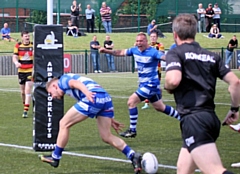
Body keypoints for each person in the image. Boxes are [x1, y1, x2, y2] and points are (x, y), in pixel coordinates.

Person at [164, 13, 240, 174]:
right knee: (183, 170)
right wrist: (234, 109)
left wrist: (168, 86)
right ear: (194, 32)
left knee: (214, 170)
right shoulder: (212, 56)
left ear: (175, 35)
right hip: (210, 119)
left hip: (194, 119)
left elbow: (173, 80)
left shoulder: (175, 53)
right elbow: (235, 82)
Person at [38, 73, 143, 174]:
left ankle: (55, 157)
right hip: (105, 98)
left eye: (50, 93)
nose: (52, 96)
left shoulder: (62, 81)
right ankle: (133, 155)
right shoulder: (68, 86)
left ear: (54, 86)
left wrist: (87, 93)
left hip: (93, 96)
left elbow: (75, 83)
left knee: (64, 123)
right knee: (106, 136)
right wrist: (111, 119)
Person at [99, 32, 180, 138]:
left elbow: (164, 57)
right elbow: (119, 52)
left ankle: (132, 130)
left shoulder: (153, 52)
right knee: (160, 107)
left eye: (141, 41)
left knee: (131, 102)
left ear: (146, 41)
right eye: (137, 41)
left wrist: (177, 59)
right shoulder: (134, 50)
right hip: (144, 85)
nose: (138, 43)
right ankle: (183, 118)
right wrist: (106, 51)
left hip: (151, 85)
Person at [12, 31, 34, 118]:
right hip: (21, 71)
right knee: (22, 92)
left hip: (30, 71)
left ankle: (25, 111)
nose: (27, 38)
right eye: (25, 36)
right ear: (22, 37)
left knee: (27, 90)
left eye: (28, 36)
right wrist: (16, 62)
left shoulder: (33, 45)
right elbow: (14, 56)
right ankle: (25, 104)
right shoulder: (18, 46)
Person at [142, 31, 165, 110]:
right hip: (147, 69)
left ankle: (159, 100)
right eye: (151, 36)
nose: (153, 38)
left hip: (157, 69)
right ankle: (146, 103)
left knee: (157, 87)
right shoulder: (147, 46)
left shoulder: (160, 45)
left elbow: (160, 54)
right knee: (146, 85)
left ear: (157, 37)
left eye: (154, 37)